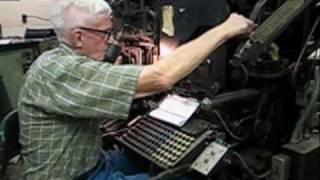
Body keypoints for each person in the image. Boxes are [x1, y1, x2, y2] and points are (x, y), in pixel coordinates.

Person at [17, 0, 255, 179]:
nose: (111, 42)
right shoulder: (60, 70)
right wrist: (226, 28)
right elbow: (162, 77)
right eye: (105, 34)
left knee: (144, 158)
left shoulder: (56, 59)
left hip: (93, 161)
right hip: (78, 177)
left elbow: (140, 87)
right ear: (78, 37)